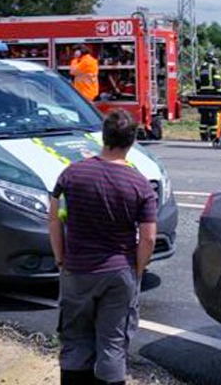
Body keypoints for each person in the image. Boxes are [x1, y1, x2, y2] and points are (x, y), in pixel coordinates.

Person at [48, 110, 157, 385]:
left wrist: (61, 258)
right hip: (119, 272)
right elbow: (148, 238)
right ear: (132, 141)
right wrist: (137, 269)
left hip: (77, 270)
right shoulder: (140, 185)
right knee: (112, 344)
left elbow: (53, 219)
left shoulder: (71, 174)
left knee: (75, 341)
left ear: (103, 137)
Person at [194, 51, 221, 141]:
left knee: (204, 116)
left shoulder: (201, 68)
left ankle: (204, 135)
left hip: (202, 95)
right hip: (212, 95)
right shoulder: (213, 68)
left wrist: (199, 93)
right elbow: (217, 82)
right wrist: (220, 93)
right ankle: (214, 136)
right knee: (213, 115)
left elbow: (198, 82)